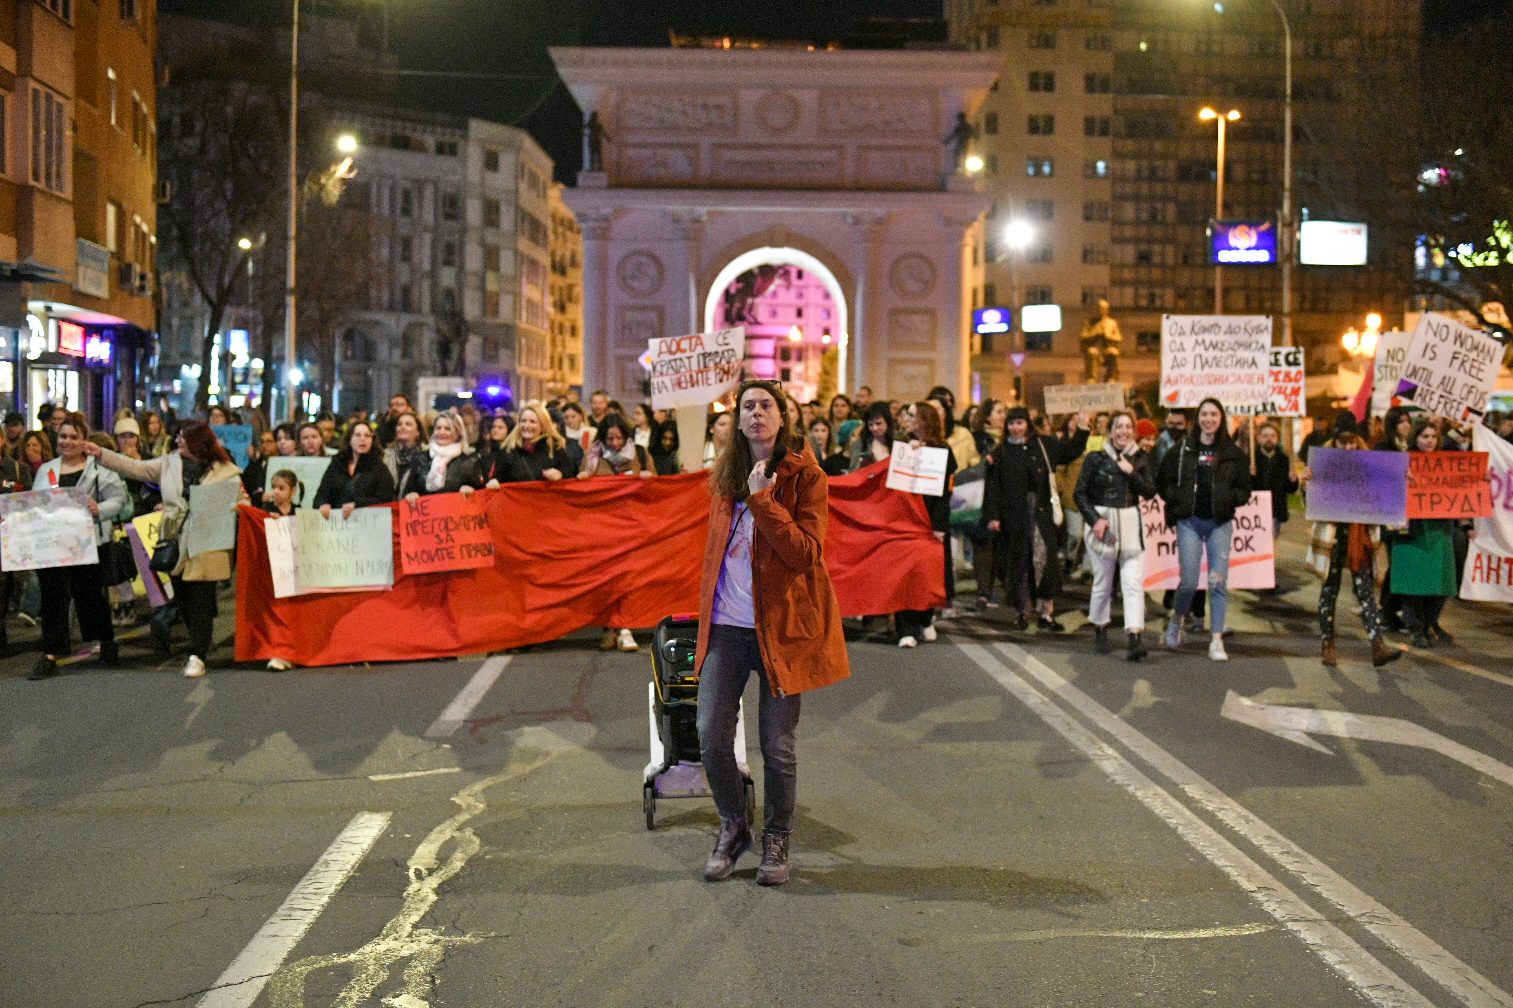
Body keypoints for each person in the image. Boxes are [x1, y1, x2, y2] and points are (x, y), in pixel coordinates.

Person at [696, 379, 849, 886]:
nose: (756, 413)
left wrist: (764, 500)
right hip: (727, 626)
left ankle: (777, 837)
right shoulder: (726, 476)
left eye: (766, 405)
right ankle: (734, 824)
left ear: (783, 417)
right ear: (738, 419)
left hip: (781, 628)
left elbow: (805, 553)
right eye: (748, 406)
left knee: (777, 746)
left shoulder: (807, 477)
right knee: (710, 736)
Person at [86, 419, 245, 678]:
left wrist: (244, 509)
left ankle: (198, 655)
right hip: (175, 540)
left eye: (184, 436)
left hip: (209, 543)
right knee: (183, 598)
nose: (178, 440)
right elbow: (134, 468)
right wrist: (102, 454)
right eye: (178, 435)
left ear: (198, 441)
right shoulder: (168, 464)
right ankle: (201, 641)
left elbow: (241, 500)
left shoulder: (226, 470)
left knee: (201, 600)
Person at [27, 414, 127, 679]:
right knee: (53, 598)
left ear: (84, 440)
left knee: (90, 595)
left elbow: (119, 499)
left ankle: (106, 641)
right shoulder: (46, 470)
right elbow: (36, 503)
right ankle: (51, 652)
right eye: (63, 436)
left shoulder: (99, 468)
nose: (67, 442)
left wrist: (99, 508)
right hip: (53, 545)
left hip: (88, 544)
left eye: (74, 437)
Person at [1298, 416, 1401, 668]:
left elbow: (1384, 491)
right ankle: (1327, 644)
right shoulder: (1323, 463)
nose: (1348, 447)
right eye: (1343, 442)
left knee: (1365, 589)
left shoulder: (1369, 462)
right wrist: (1306, 484)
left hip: (1359, 534)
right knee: (1330, 588)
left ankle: (1377, 644)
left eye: (1352, 442)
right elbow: (1308, 504)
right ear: (1334, 441)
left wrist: (1401, 480)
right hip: (1332, 535)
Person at [1157, 398, 1252, 661]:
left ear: (1221, 419)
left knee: (1218, 581)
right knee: (1189, 581)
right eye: (1204, 414)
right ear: (1197, 419)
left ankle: (1217, 639)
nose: (1208, 419)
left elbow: (1245, 490)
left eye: (1213, 414)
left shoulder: (1233, 453)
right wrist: (1177, 499)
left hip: (1219, 523)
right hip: (1189, 522)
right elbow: (1163, 481)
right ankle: (1178, 618)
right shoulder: (1182, 450)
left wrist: (1229, 499)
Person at [983, 407, 1089, 632]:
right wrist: (993, 516)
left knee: (1045, 561)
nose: (1016, 428)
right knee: (1019, 564)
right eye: (1012, 423)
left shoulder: (1043, 444)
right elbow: (993, 487)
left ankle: (1046, 613)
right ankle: (1022, 611)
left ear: (1028, 424)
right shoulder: (1001, 452)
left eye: (1020, 422)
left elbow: (1070, 452)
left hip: (1041, 515)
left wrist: (1082, 427)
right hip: (1014, 517)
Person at [1074, 411, 1157, 661]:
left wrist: (1132, 472)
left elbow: (1150, 491)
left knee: (1133, 584)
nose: (1124, 431)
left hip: (1131, 527)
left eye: (1128, 426)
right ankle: (1100, 626)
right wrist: (1094, 520)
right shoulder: (1095, 458)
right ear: (1110, 431)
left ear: (1134, 431)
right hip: (1104, 526)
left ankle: (1135, 636)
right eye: (1119, 426)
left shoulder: (1140, 458)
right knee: (1103, 582)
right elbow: (1080, 493)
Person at [1386, 419, 1458, 648]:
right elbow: (1386, 489)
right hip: (1413, 529)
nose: (1430, 441)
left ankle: (1430, 623)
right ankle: (1415, 628)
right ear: (1415, 438)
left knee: (1439, 579)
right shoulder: (1402, 461)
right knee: (1413, 581)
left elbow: (1462, 487)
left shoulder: (1447, 463)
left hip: (1439, 529)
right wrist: (1404, 481)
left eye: (1433, 437)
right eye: (1425, 436)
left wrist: (1478, 480)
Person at [895, 402, 957, 647]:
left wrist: (939, 525)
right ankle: (905, 629)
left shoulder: (942, 450)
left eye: (912, 415)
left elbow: (944, 492)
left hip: (931, 522)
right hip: (905, 521)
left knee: (927, 574)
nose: (906, 418)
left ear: (924, 420)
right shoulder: (902, 446)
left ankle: (925, 619)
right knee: (905, 574)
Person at [313, 421, 396, 518]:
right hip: (337, 523)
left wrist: (358, 505)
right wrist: (323, 504)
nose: (362, 439)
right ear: (349, 440)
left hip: (367, 522)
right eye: (357, 435)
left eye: (367, 436)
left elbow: (386, 499)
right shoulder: (337, 465)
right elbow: (321, 495)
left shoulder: (379, 468)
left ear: (372, 441)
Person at [402, 410, 483, 505]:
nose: (441, 432)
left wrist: (471, 490)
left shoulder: (470, 461)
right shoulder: (420, 458)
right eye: (438, 428)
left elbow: (481, 494)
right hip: (426, 512)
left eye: (447, 429)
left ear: (458, 433)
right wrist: (411, 495)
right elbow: (408, 490)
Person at [495, 401, 574, 484]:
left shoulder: (555, 448)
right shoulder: (507, 450)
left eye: (532, 422)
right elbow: (499, 480)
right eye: (523, 421)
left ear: (543, 425)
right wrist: (494, 483)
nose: (527, 426)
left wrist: (560, 475)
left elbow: (570, 479)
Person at [1253, 421, 1299, 532]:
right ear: (1259, 438)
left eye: (1272, 436)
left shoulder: (1284, 460)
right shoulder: (1251, 460)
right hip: (1256, 510)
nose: (1269, 439)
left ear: (1277, 439)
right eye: (1265, 436)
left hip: (1276, 512)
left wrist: (1293, 480)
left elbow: (1290, 489)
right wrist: (1250, 475)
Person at [384, 413, 427, 496]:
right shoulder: (386, 455)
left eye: (408, 424)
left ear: (418, 432)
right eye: (399, 424)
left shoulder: (426, 454)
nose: (402, 427)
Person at [850, 402, 895, 470]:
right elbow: (852, 471)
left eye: (878, 423)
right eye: (870, 425)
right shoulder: (860, 444)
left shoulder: (896, 443)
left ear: (887, 422)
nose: (874, 428)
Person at [477, 414, 514, 485]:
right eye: (493, 427)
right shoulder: (488, 454)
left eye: (500, 428)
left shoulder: (513, 454)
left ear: (509, 430)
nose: (495, 430)